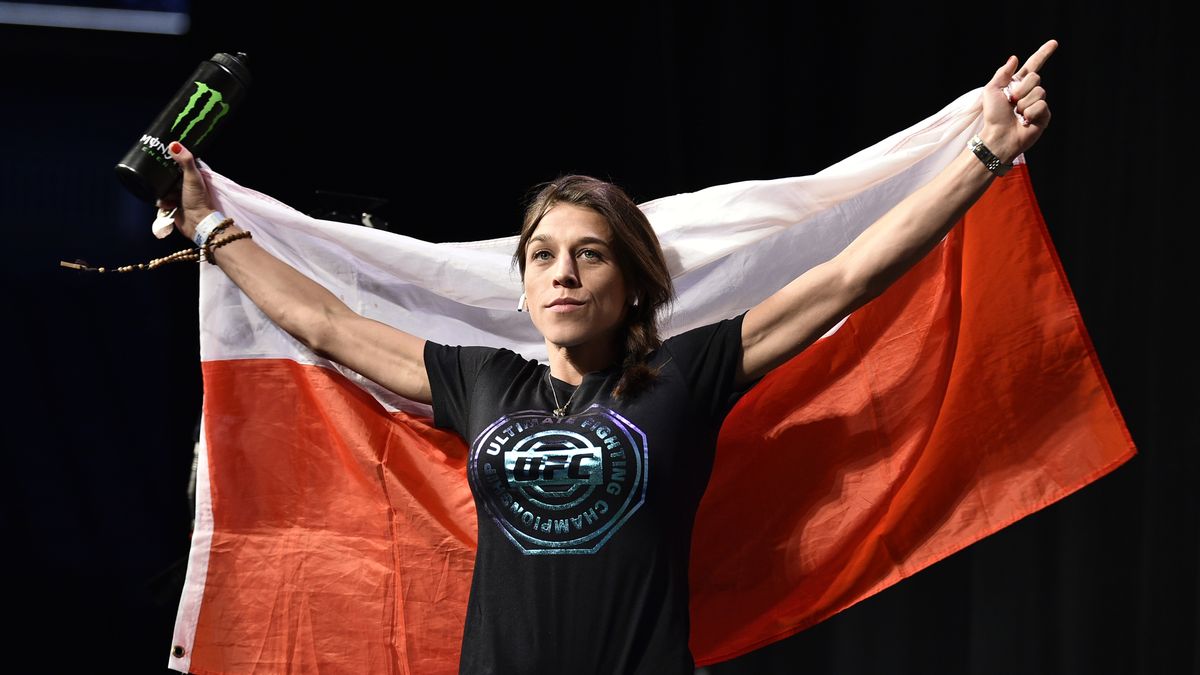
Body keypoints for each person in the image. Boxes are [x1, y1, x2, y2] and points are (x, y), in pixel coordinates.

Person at [160, 41, 1055, 674]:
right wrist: (208, 226)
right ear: (522, 286)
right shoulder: (480, 379)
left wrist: (985, 153)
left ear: (630, 285)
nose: (563, 272)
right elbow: (324, 323)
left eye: (590, 255)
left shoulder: (687, 375)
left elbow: (849, 275)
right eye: (543, 256)